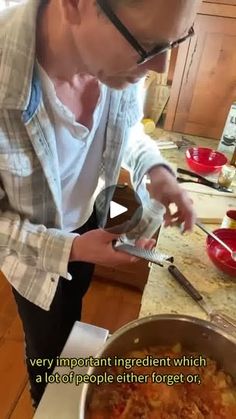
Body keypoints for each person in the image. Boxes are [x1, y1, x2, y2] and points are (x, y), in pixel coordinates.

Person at [0, 0, 199, 408]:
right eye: (148, 47)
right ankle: (44, 399)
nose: (162, 67)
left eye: (176, 42)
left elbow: (126, 128)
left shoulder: (117, 61)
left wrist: (156, 170)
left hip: (87, 227)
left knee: (72, 312)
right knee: (49, 350)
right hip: (34, 255)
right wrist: (70, 248)